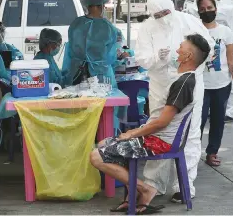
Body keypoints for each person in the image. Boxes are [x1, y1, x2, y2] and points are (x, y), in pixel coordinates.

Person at [90, 34, 211, 214]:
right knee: (103, 144)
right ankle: (131, 195)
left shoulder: (184, 83)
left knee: (97, 156)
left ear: (188, 57)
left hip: (160, 141)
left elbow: (162, 122)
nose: (177, 51)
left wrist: (133, 133)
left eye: (181, 48)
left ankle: (143, 189)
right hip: (157, 136)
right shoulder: (183, 79)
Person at [135, 0, 215, 203]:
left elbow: (210, 48)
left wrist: (192, 64)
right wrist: (157, 58)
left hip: (188, 84)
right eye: (159, 15)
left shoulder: (188, 21)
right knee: (157, 132)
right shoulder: (147, 28)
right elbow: (141, 59)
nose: (163, 18)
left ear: (171, 7)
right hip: (161, 87)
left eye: (166, 13)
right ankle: (154, 184)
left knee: (189, 134)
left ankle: (184, 186)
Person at [196, 0, 233, 167]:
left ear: (216, 9)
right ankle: (193, 154)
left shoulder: (225, 31)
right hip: (200, 85)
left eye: (209, 7)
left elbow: (231, 60)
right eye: (203, 9)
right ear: (198, 12)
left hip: (222, 84)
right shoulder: (195, 31)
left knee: (218, 121)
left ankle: (212, 153)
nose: (206, 11)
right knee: (198, 121)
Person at [62, 0, 118, 87]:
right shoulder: (108, 27)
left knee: (79, 100)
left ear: (87, 5)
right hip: (101, 74)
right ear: (101, 6)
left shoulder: (76, 24)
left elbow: (70, 50)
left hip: (77, 73)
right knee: (102, 100)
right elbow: (111, 56)